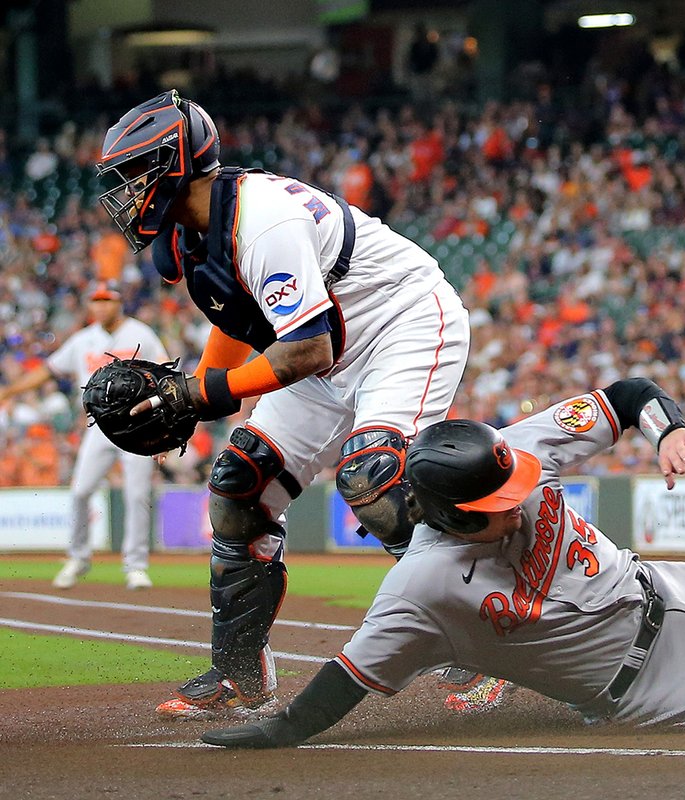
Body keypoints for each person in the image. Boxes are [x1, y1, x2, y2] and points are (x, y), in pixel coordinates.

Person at [201, 378, 685, 748]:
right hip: (654, 685)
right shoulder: (422, 587)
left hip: (669, 586)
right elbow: (345, 679)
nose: (520, 498)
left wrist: (668, 427)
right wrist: (277, 731)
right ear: (449, 516)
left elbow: (626, 395)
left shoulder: (512, 449)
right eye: (499, 503)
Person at [94, 89, 501, 719]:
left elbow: (307, 349)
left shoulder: (262, 221)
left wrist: (199, 394)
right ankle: (241, 674)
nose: (125, 191)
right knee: (239, 484)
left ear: (176, 165)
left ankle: (493, 644)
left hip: (400, 321)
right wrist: (197, 392)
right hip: (325, 348)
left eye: (135, 172)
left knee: (375, 478)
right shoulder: (192, 233)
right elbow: (237, 318)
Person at [0, 280, 166, 591]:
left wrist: (163, 427)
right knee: (80, 491)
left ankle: (136, 565)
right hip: (99, 427)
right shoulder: (83, 339)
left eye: (106, 300)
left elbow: (164, 376)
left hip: (139, 427)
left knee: (137, 495)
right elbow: (48, 370)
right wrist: (10, 390)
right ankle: (78, 556)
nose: (100, 306)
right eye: (95, 300)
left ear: (119, 302)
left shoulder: (141, 334)